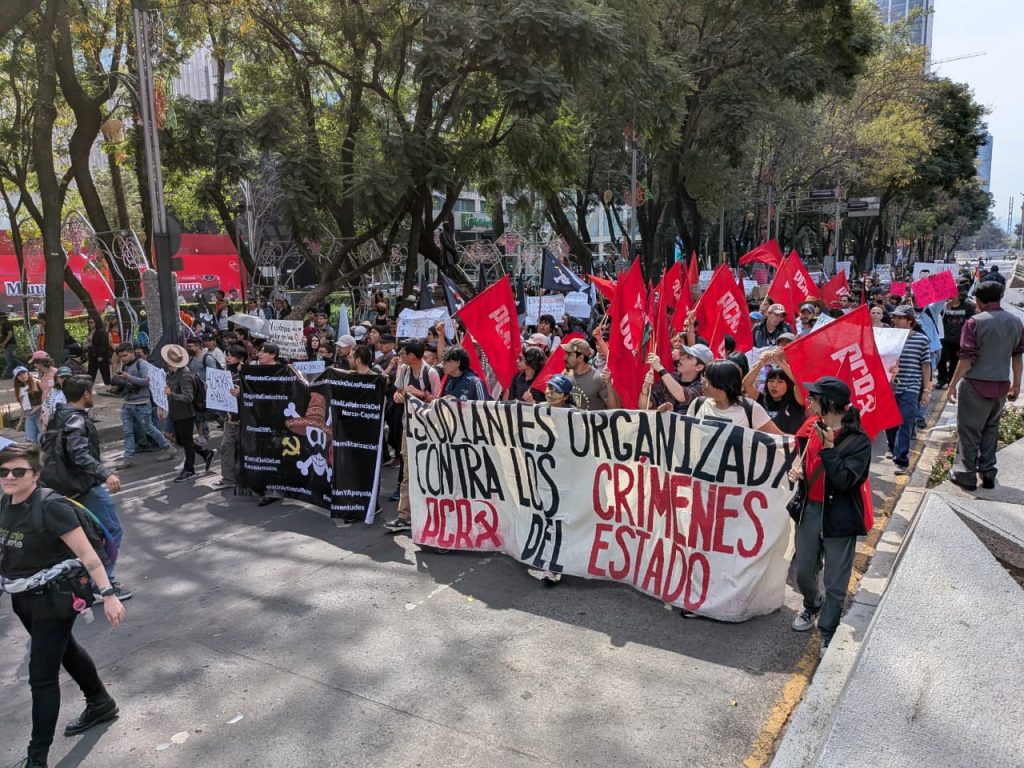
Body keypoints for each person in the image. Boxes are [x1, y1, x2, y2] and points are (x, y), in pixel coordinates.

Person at [0, 443, 127, 768]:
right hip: (24, 599)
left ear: (36, 475)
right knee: (65, 649)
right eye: (3, 471)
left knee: (41, 676)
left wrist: (108, 594)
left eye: (18, 471)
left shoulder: (52, 507)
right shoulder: (5, 502)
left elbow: (88, 556)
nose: (9, 477)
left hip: (55, 600)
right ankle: (100, 702)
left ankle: (36, 758)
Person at [788, 377, 872, 657]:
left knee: (836, 580)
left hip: (840, 517)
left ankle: (828, 629)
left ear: (831, 404)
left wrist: (828, 450)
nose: (809, 401)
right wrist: (796, 472)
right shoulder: (811, 428)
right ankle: (811, 604)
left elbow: (847, 480)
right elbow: (800, 458)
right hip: (809, 510)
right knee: (803, 571)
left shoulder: (858, 441)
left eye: (815, 397)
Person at [40, 375, 131, 598]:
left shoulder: (58, 415)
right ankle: (103, 583)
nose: (96, 395)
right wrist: (105, 473)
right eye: (93, 391)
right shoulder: (76, 420)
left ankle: (82, 581)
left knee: (82, 535)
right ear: (86, 394)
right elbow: (79, 453)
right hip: (83, 486)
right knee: (111, 531)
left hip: (61, 487)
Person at [946, 281, 1024, 491]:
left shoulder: (974, 322)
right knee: (991, 429)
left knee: (969, 430)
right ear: (999, 298)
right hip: (1001, 384)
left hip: (975, 384)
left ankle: (967, 473)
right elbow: (1017, 357)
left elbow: (966, 359)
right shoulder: (1016, 321)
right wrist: (1016, 384)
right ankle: (988, 471)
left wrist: (952, 385)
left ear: (978, 300)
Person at [384, 339, 442, 533]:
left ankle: (430, 514)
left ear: (411, 356)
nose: (399, 357)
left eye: (402, 354)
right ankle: (404, 515)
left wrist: (420, 394)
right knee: (408, 472)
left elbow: (439, 402)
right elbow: (397, 393)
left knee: (429, 472)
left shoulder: (430, 373)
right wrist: (398, 396)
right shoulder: (405, 370)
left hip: (428, 432)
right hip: (408, 428)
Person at [110, 343, 176, 468]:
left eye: (125, 355)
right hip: (128, 403)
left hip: (142, 403)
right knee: (128, 431)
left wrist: (129, 377)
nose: (123, 358)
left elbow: (147, 381)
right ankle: (128, 459)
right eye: (121, 356)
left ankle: (168, 447)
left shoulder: (142, 364)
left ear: (131, 352)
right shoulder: (125, 366)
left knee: (149, 429)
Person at [885, 305, 931, 476]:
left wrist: (926, 389)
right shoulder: (888, 338)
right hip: (889, 387)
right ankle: (893, 447)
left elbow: (926, 365)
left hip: (911, 387)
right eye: (894, 317)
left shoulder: (921, 340)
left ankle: (901, 459)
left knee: (906, 421)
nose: (895, 320)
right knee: (890, 421)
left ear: (909, 321)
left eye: (899, 317)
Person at [162, 344, 216, 484]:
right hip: (176, 412)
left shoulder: (185, 376)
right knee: (181, 440)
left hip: (186, 414)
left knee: (186, 442)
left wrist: (171, 394)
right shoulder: (172, 374)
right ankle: (206, 453)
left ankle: (189, 469)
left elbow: (188, 397)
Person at [686, 359, 782, 434]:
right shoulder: (698, 404)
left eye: (706, 378)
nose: (701, 381)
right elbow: (684, 434)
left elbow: (780, 439)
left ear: (721, 383)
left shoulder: (751, 409)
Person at [742, 352, 806, 434]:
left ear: (789, 384)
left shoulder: (796, 401)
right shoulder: (762, 399)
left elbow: (798, 382)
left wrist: (780, 362)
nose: (774, 385)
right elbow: (746, 384)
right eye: (771, 381)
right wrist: (761, 364)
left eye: (780, 382)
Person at [213, 344, 247, 491]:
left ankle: (244, 478)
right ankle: (228, 478)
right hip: (230, 419)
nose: (228, 358)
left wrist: (241, 393)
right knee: (226, 447)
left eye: (231, 356)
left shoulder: (247, 375)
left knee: (243, 450)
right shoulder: (227, 374)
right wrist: (212, 389)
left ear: (241, 359)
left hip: (243, 420)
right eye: (227, 355)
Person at [643, 343, 710, 413]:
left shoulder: (703, 386)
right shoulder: (672, 377)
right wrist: (645, 387)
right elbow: (645, 405)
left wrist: (660, 368)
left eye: (689, 357)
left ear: (699, 367)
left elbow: (682, 396)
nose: (682, 357)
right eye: (683, 354)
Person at [937, 285, 975, 388]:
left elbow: (972, 321)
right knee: (941, 359)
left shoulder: (968, 307)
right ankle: (942, 379)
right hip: (944, 339)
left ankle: (950, 381)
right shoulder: (944, 307)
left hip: (960, 339)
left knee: (955, 362)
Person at [562, 338, 609, 410]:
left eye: (569, 354)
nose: (564, 357)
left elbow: (614, 408)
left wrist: (610, 385)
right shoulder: (566, 375)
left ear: (581, 358)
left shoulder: (598, 378)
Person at [13, 366, 43, 442]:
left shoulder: (37, 382)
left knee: (44, 439)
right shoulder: (20, 389)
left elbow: (48, 399)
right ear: (17, 378)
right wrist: (20, 422)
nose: (22, 375)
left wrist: (38, 407)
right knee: (30, 441)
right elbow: (23, 407)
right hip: (29, 416)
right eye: (19, 375)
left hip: (40, 414)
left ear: (27, 373)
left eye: (23, 372)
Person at [85, 316, 111, 386]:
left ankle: (108, 384)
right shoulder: (90, 331)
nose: (90, 324)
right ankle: (89, 385)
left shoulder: (101, 332)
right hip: (92, 353)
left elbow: (104, 344)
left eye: (91, 322)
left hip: (100, 354)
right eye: (89, 322)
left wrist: (101, 355)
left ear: (96, 323)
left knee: (104, 371)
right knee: (91, 371)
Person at [0, 310, 20, 377]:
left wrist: (4, 343)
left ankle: (10, 374)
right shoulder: (4, 324)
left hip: (10, 345)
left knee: (8, 359)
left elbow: (10, 334)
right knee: (12, 359)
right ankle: (24, 367)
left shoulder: (6, 325)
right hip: (10, 345)